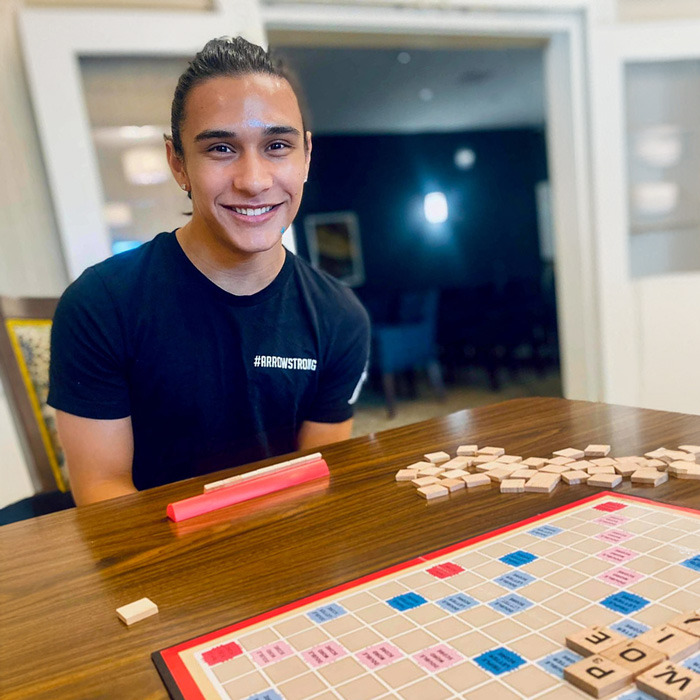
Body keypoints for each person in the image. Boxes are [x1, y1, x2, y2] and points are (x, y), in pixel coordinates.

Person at [48, 37, 370, 506]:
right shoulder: (101, 304)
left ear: (306, 157)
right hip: (154, 562)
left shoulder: (340, 317)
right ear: (177, 164)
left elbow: (316, 482)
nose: (254, 180)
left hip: (287, 554)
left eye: (277, 145)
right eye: (221, 148)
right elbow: (104, 496)